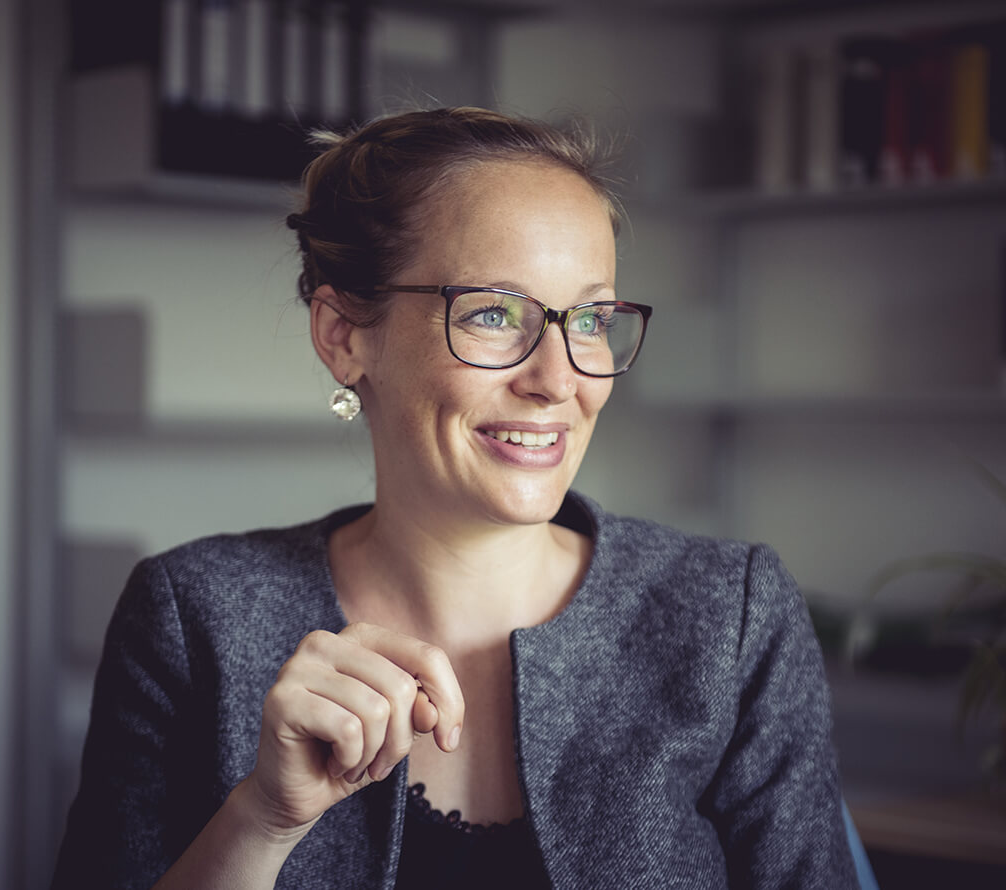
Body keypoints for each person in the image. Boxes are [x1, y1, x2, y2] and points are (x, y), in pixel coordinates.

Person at [51, 106, 858, 890]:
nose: (559, 380)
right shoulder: (193, 619)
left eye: (590, 320)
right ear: (344, 336)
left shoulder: (729, 616)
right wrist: (262, 818)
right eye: (494, 313)